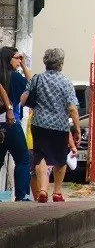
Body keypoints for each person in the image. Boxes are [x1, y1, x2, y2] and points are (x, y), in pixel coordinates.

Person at [21, 49, 81, 203]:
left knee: (40, 156)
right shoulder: (66, 82)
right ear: (61, 64)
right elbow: (72, 108)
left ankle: (42, 190)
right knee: (60, 158)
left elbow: (24, 98)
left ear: (45, 63)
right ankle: (57, 192)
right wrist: (77, 128)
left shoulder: (37, 79)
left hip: (39, 124)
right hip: (59, 126)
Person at [0, 47, 27, 201]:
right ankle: (21, 196)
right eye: (17, 58)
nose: (19, 60)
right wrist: (24, 67)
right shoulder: (15, 77)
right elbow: (31, 86)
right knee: (23, 159)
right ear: (8, 58)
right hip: (11, 123)